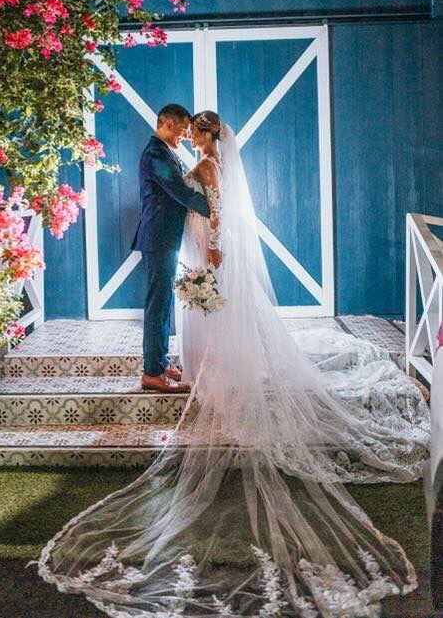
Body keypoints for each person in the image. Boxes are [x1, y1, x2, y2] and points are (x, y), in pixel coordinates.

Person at [32, 111, 430, 617]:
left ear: (203, 133)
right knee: (179, 309)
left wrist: (213, 238)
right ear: (171, 125)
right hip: (184, 242)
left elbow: (212, 204)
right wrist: (204, 222)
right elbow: (188, 198)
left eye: (193, 130)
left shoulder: (205, 162)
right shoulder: (167, 156)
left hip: (203, 246)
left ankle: (182, 369)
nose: (187, 135)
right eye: (184, 129)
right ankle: (168, 367)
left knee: (191, 309)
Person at [131, 103, 209, 394]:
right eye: (180, 130)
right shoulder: (155, 154)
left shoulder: (165, 152)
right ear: (165, 124)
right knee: (157, 306)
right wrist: (214, 208)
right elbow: (179, 191)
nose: (183, 136)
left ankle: (159, 362)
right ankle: (151, 373)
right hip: (158, 238)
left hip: (165, 238)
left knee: (163, 305)